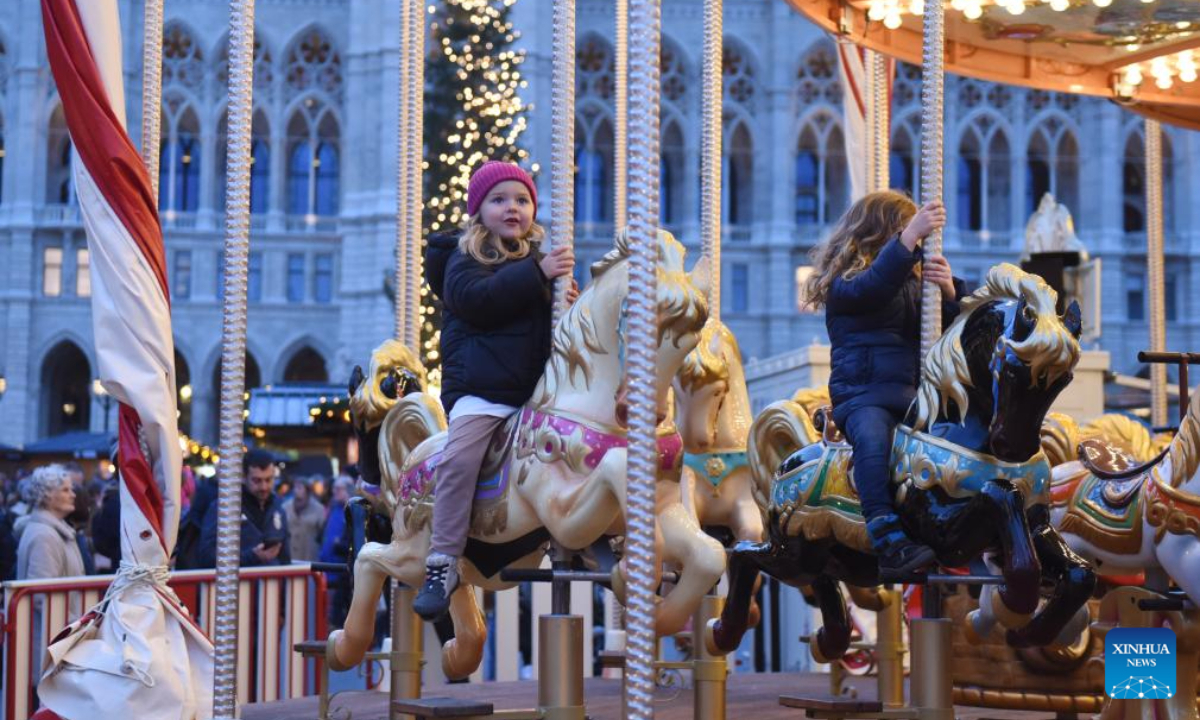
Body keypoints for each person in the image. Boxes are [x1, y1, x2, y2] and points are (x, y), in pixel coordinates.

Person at [415, 161, 577, 620]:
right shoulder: (462, 260)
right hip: (482, 390)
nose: (513, 208)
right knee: (460, 459)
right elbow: (479, 303)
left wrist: (571, 304)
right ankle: (442, 559)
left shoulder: (537, 264)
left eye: (522, 200)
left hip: (535, 395)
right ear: (478, 210)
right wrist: (539, 276)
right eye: (500, 200)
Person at [803, 191, 966, 580]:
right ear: (881, 231)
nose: (912, 240)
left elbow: (938, 335)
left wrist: (949, 295)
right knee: (874, 442)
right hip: (862, 391)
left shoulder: (909, 279)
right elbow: (872, 289)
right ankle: (884, 533)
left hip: (912, 391)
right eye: (901, 230)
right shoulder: (845, 280)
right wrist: (909, 239)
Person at [198, 449, 291, 567]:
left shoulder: (278, 509)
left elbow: (285, 556)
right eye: (257, 480)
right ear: (243, 477)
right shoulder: (223, 508)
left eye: (268, 480)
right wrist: (251, 557)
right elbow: (206, 556)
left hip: (271, 582)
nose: (264, 487)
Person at [16, 465, 86, 582]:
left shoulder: (54, 530)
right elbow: (41, 595)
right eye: (65, 490)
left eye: (71, 489)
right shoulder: (44, 536)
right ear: (46, 496)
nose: (73, 495)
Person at [284, 476, 326, 562]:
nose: (296, 490)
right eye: (295, 487)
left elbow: (323, 533)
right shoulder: (285, 507)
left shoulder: (318, 508)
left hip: (309, 553)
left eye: (299, 488)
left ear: (307, 490)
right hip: (290, 554)